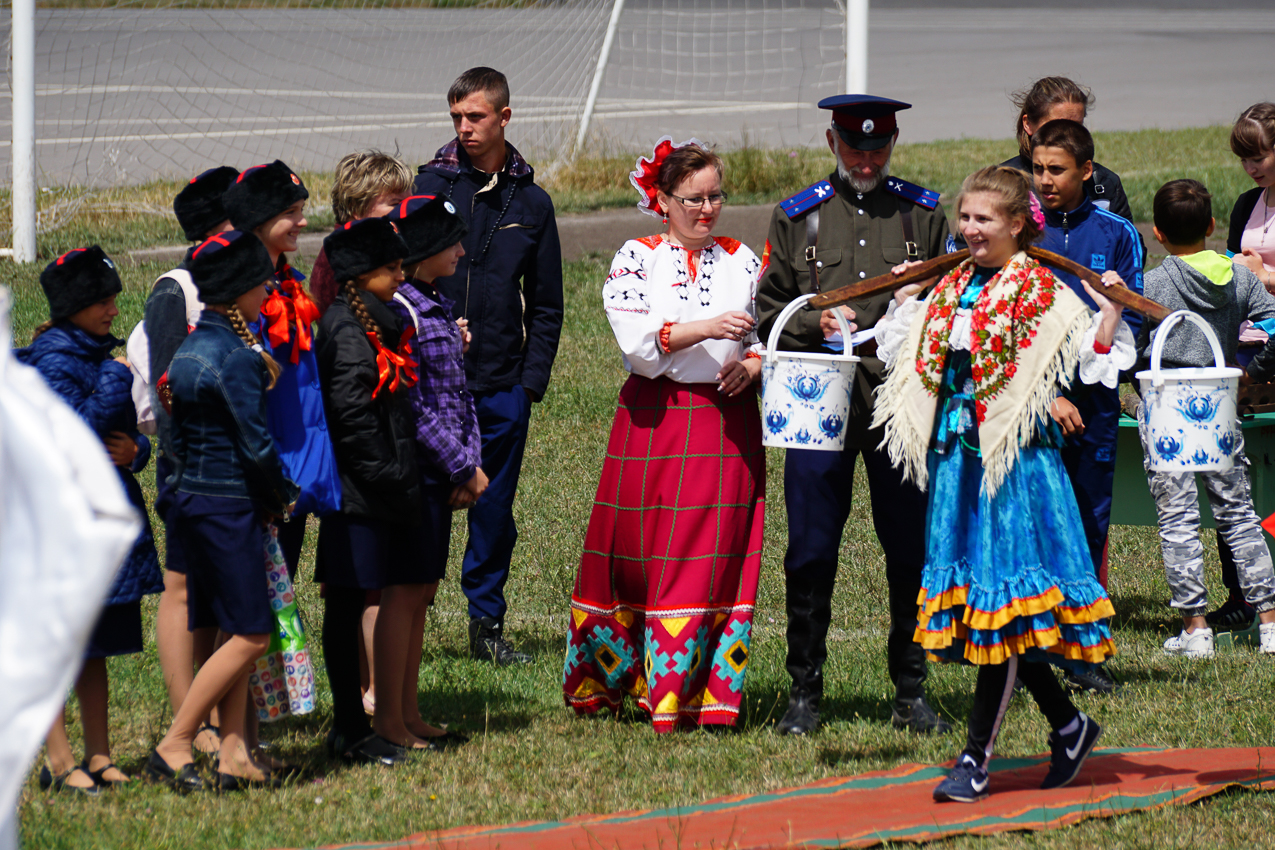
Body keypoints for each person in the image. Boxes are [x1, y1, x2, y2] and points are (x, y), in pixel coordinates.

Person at [872, 165, 1126, 803]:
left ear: (1017, 224)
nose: (970, 229)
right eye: (965, 217)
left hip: (1014, 472)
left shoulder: (1039, 288)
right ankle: (1069, 727)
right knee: (997, 618)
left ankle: (975, 759)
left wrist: (1112, 310)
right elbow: (905, 348)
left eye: (984, 219)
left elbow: (1093, 353)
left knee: (1003, 612)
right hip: (960, 464)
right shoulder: (953, 282)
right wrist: (908, 303)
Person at [756, 94, 952, 736]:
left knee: (908, 549)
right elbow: (767, 314)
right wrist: (817, 319)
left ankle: (911, 690)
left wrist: (917, 297)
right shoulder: (798, 217)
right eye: (854, 147)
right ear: (832, 142)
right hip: (820, 403)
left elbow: (956, 305)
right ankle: (804, 694)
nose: (866, 160)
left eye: (878, 148)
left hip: (899, 403)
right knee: (811, 548)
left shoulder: (921, 214)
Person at [562, 139, 765, 732]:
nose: (707, 210)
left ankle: (690, 693)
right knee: (636, 547)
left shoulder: (742, 259)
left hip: (725, 420)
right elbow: (636, 342)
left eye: (715, 197)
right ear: (662, 200)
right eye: (693, 199)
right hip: (653, 416)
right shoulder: (637, 256)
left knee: (710, 551)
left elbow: (772, 330)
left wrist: (752, 365)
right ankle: (611, 680)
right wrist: (707, 327)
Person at [413, 67, 564, 665]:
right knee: (429, 506)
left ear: (504, 117)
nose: (465, 128)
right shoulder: (430, 184)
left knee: (494, 511)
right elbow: (402, 274)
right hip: (435, 385)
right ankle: (411, 622)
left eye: (475, 117)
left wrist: (530, 384)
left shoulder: (532, 202)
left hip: (503, 385)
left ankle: (487, 626)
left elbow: (547, 303)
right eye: (456, 118)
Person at [150, 230, 297, 792]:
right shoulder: (234, 357)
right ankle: (178, 741)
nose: (268, 291)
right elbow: (255, 446)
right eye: (263, 283)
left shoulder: (191, 346)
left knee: (233, 628)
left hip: (191, 501)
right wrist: (282, 495)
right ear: (239, 290)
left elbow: (180, 438)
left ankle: (235, 752)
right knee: (251, 636)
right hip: (228, 505)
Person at [18, 247, 163, 793]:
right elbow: (80, 434)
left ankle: (98, 754)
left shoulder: (96, 354)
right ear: (72, 307)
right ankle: (59, 762)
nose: (111, 310)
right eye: (102, 302)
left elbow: (119, 441)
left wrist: (136, 456)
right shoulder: (56, 363)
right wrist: (112, 376)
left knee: (94, 650)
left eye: (114, 300)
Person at [316, 217, 442, 762]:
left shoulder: (374, 323)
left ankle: (358, 727)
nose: (399, 275)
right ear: (360, 274)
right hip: (356, 497)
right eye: (390, 268)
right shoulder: (346, 331)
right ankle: (349, 727)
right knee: (345, 611)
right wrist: (391, 474)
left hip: (378, 492)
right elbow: (351, 419)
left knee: (352, 605)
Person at [1135, 179, 1275, 657]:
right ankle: (1272, 624)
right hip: (1220, 403)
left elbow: (1130, 345)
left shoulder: (1152, 283)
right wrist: (1251, 370)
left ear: (1157, 233)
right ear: (1213, 226)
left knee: (1178, 519)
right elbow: (1273, 321)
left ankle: (1196, 628)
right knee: (1238, 514)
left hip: (1167, 409)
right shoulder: (1240, 276)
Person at [1031, 118, 1144, 693]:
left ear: (1086, 172)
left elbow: (1139, 317)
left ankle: (1081, 652)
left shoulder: (1118, 232)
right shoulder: (1020, 229)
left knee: (1089, 518)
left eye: (1057, 170)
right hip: (1029, 395)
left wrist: (1118, 314)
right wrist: (1044, 392)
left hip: (1094, 399)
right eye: (1038, 169)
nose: (1046, 181)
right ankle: (1031, 644)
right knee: (1034, 516)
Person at [308, 150, 414, 717]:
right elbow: (345, 379)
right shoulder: (340, 274)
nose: (401, 214)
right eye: (391, 204)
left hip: (380, 446)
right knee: (355, 588)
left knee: (369, 585)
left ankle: (373, 694)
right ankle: (364, 697)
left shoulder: (376, 261)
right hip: (358, 461)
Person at [144, 165, 237, 757]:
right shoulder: (176, 289)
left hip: (233, 472)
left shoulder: (238, 278)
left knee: (220, 597)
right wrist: (185, 471)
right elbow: (169, 389)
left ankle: (215, 712)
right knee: (185, 592)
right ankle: (189, 719)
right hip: (192, 470)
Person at [388, 193, 482, 745]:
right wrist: (457, 464)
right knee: (406, 594)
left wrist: (468, 462)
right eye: (451, 243)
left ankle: (409, 710)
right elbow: (414, 403)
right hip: (419, 473)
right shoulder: (405, 310)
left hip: (445, 473)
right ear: (422, 251)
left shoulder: (435, 302)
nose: (462, 251)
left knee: (423, 593)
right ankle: (391, 716)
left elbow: (456, 393)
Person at [223, 161, 342, 579]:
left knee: (277, 596)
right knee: (248, 609)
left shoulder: (289, 283)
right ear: (260, 220)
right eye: (291, 212)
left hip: (294, 473)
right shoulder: (239, 295)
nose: (303, 221)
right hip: (262, 476)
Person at [1211, 102, 1275, 628]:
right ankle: (1242, 594)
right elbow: (1234, 271)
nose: (1252, 167)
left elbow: (1252, 271)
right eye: (1245, 158)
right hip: (1247, 348)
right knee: (1232, 471)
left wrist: (1262, 276)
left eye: (1261, 155)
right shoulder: (1246, 204)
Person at [1003, 76, 1132, 222]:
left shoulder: (1103, 183)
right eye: (1055, 126)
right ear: (1027, 124)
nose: (1068, 135)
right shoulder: (1000, 185)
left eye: (1076, 126)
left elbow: (1128, 242)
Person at [310, 150, 415, 316]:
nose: (407, 211)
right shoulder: (344, 258)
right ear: (356, 208)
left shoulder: (376, 247)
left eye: (410, 202)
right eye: (395, 203)